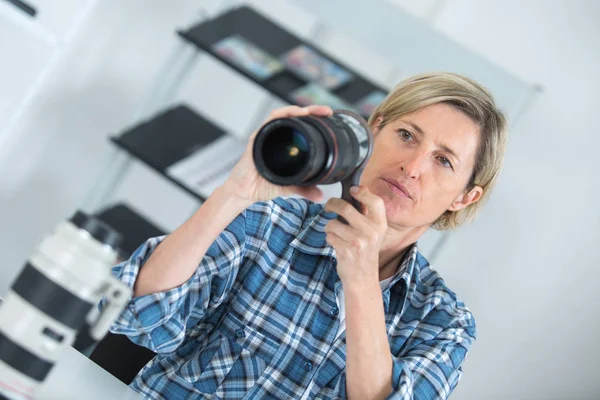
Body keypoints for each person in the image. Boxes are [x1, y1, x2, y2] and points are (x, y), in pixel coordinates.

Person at [103, 72, 507, 399]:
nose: (413, 166)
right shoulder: (269, 222)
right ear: (375, 129)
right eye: (406, 135)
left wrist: (361, 277)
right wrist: (234, 194)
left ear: (464, 197)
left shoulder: (444, 323)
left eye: (443, 160)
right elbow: (133, 315)